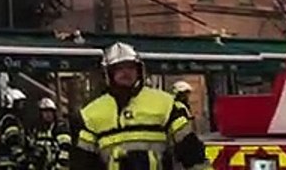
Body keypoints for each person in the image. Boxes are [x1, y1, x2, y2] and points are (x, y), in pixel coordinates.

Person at [70, 43, 207, 170]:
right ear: (109, 73)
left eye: (130, 67)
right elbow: (82, 162)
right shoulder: (91, 113)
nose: (126, 73)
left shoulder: (164, 103)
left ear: (139, 70)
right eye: (119, 68)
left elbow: (191, 151)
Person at [31, 97, 72, 170]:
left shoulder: (60, 128)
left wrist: (60, 166)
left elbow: (65, 149)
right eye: (45, 112)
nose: (48, 114)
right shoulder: (37, 130)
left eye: (50, 111)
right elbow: (35, 149)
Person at [0, 87, 30, 170]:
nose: (22, 106)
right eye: (20, 103)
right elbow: (13, 141)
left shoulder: (14, 119)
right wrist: (23, 159)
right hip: (9, 163)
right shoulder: (9, 120)